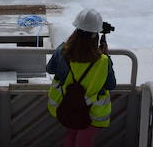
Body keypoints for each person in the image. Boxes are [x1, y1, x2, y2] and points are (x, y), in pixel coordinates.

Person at [47, 8, 116, 147]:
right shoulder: (103, 61)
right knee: (84, 141)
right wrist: (106, 56)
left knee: (72, 136)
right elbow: (110, 85)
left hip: (67, 106)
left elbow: (50, 69)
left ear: (76, 31)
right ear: (96, 35)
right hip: (93, 112)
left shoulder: (62, 51)